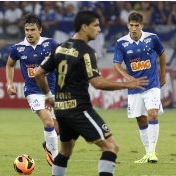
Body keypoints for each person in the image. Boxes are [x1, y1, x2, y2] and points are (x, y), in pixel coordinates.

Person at [35, 10, 148, 176]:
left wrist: (48, 97)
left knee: (65, 151)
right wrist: (127, 84)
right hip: (79, 110)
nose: (99, 29)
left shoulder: (60, 48)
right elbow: (98, 83)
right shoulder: (86, 52)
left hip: (61, 110)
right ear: (84, 27)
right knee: (111, 147)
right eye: (96, 25)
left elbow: (38, 73)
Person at [5, 14, 59, 166]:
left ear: (40, 30)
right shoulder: (18, 48)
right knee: (48, 123)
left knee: (60, 128)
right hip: (33, 92)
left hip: (53, 91)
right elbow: (9, 64)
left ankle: (48, 144)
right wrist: (9, 83)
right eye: (27, 30)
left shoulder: (51, 44)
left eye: (32, 30)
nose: (29, 33)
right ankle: (55, 158)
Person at [113, 11, 166, 163]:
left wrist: (162, 75)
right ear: (128, 25)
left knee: (153, 114)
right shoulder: (121, 43)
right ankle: (147, 153)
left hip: (152, 84)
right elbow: (116, 63)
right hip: (135, 87)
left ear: (142, 26)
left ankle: (152, 153)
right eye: (132, 25)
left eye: (137, 25)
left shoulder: (152, 38)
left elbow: (162, 55)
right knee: (141, 119)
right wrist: (127, 77)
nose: (134, 28)